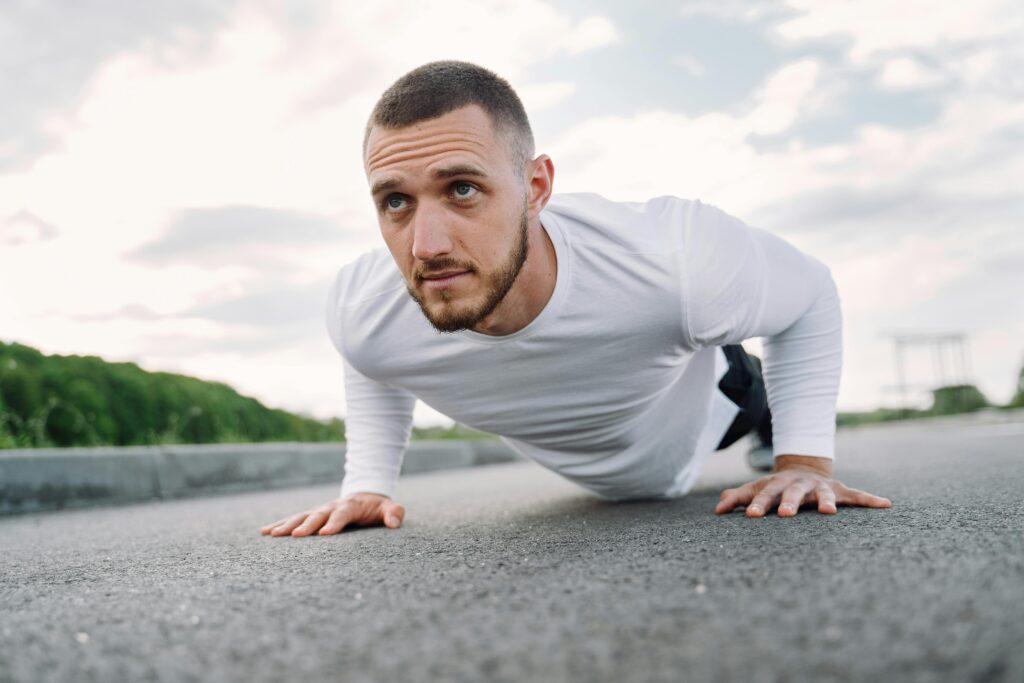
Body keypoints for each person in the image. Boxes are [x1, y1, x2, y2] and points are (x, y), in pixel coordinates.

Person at [260, 60, 891, 539]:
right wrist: (368, 484)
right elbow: (374, 359)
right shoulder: (362, 309)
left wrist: (803, 460)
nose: (424, 247)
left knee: (732, 368)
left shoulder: (675, 259)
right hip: (602, 458)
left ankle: (764, 414)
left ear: (535, 187)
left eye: (461, 189)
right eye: (395, 201)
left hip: (710, 406)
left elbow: (809, 295)